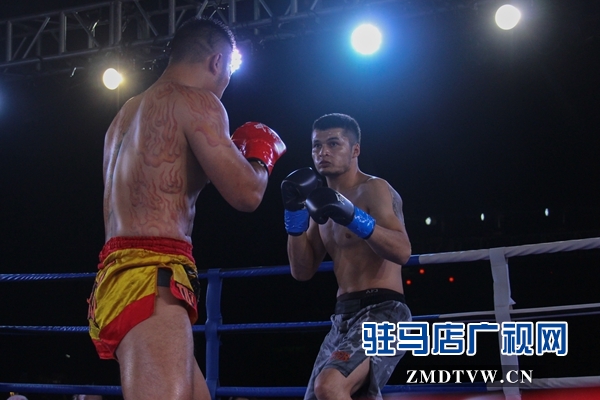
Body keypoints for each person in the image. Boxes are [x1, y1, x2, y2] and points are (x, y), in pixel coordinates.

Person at [87, 16, 286, 400]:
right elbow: (247, 194)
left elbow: (162, 180)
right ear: (217, 62)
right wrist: (261, 157)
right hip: (153, 276)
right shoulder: (198, 102)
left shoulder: (124, 115)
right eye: (228, 72)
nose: (226, 83)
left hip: (120, 273)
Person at [282, 113, 411, 400]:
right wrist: (294, 215)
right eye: (316, 146)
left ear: (355, 150)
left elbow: (402, 251)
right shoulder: (319, 203)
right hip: (342, 316)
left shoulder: (374, 189)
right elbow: (302, 271)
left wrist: (355, 219)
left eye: (333, 144)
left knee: (330, 386)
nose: (323, 152)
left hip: (384, 312)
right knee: (320, 395)